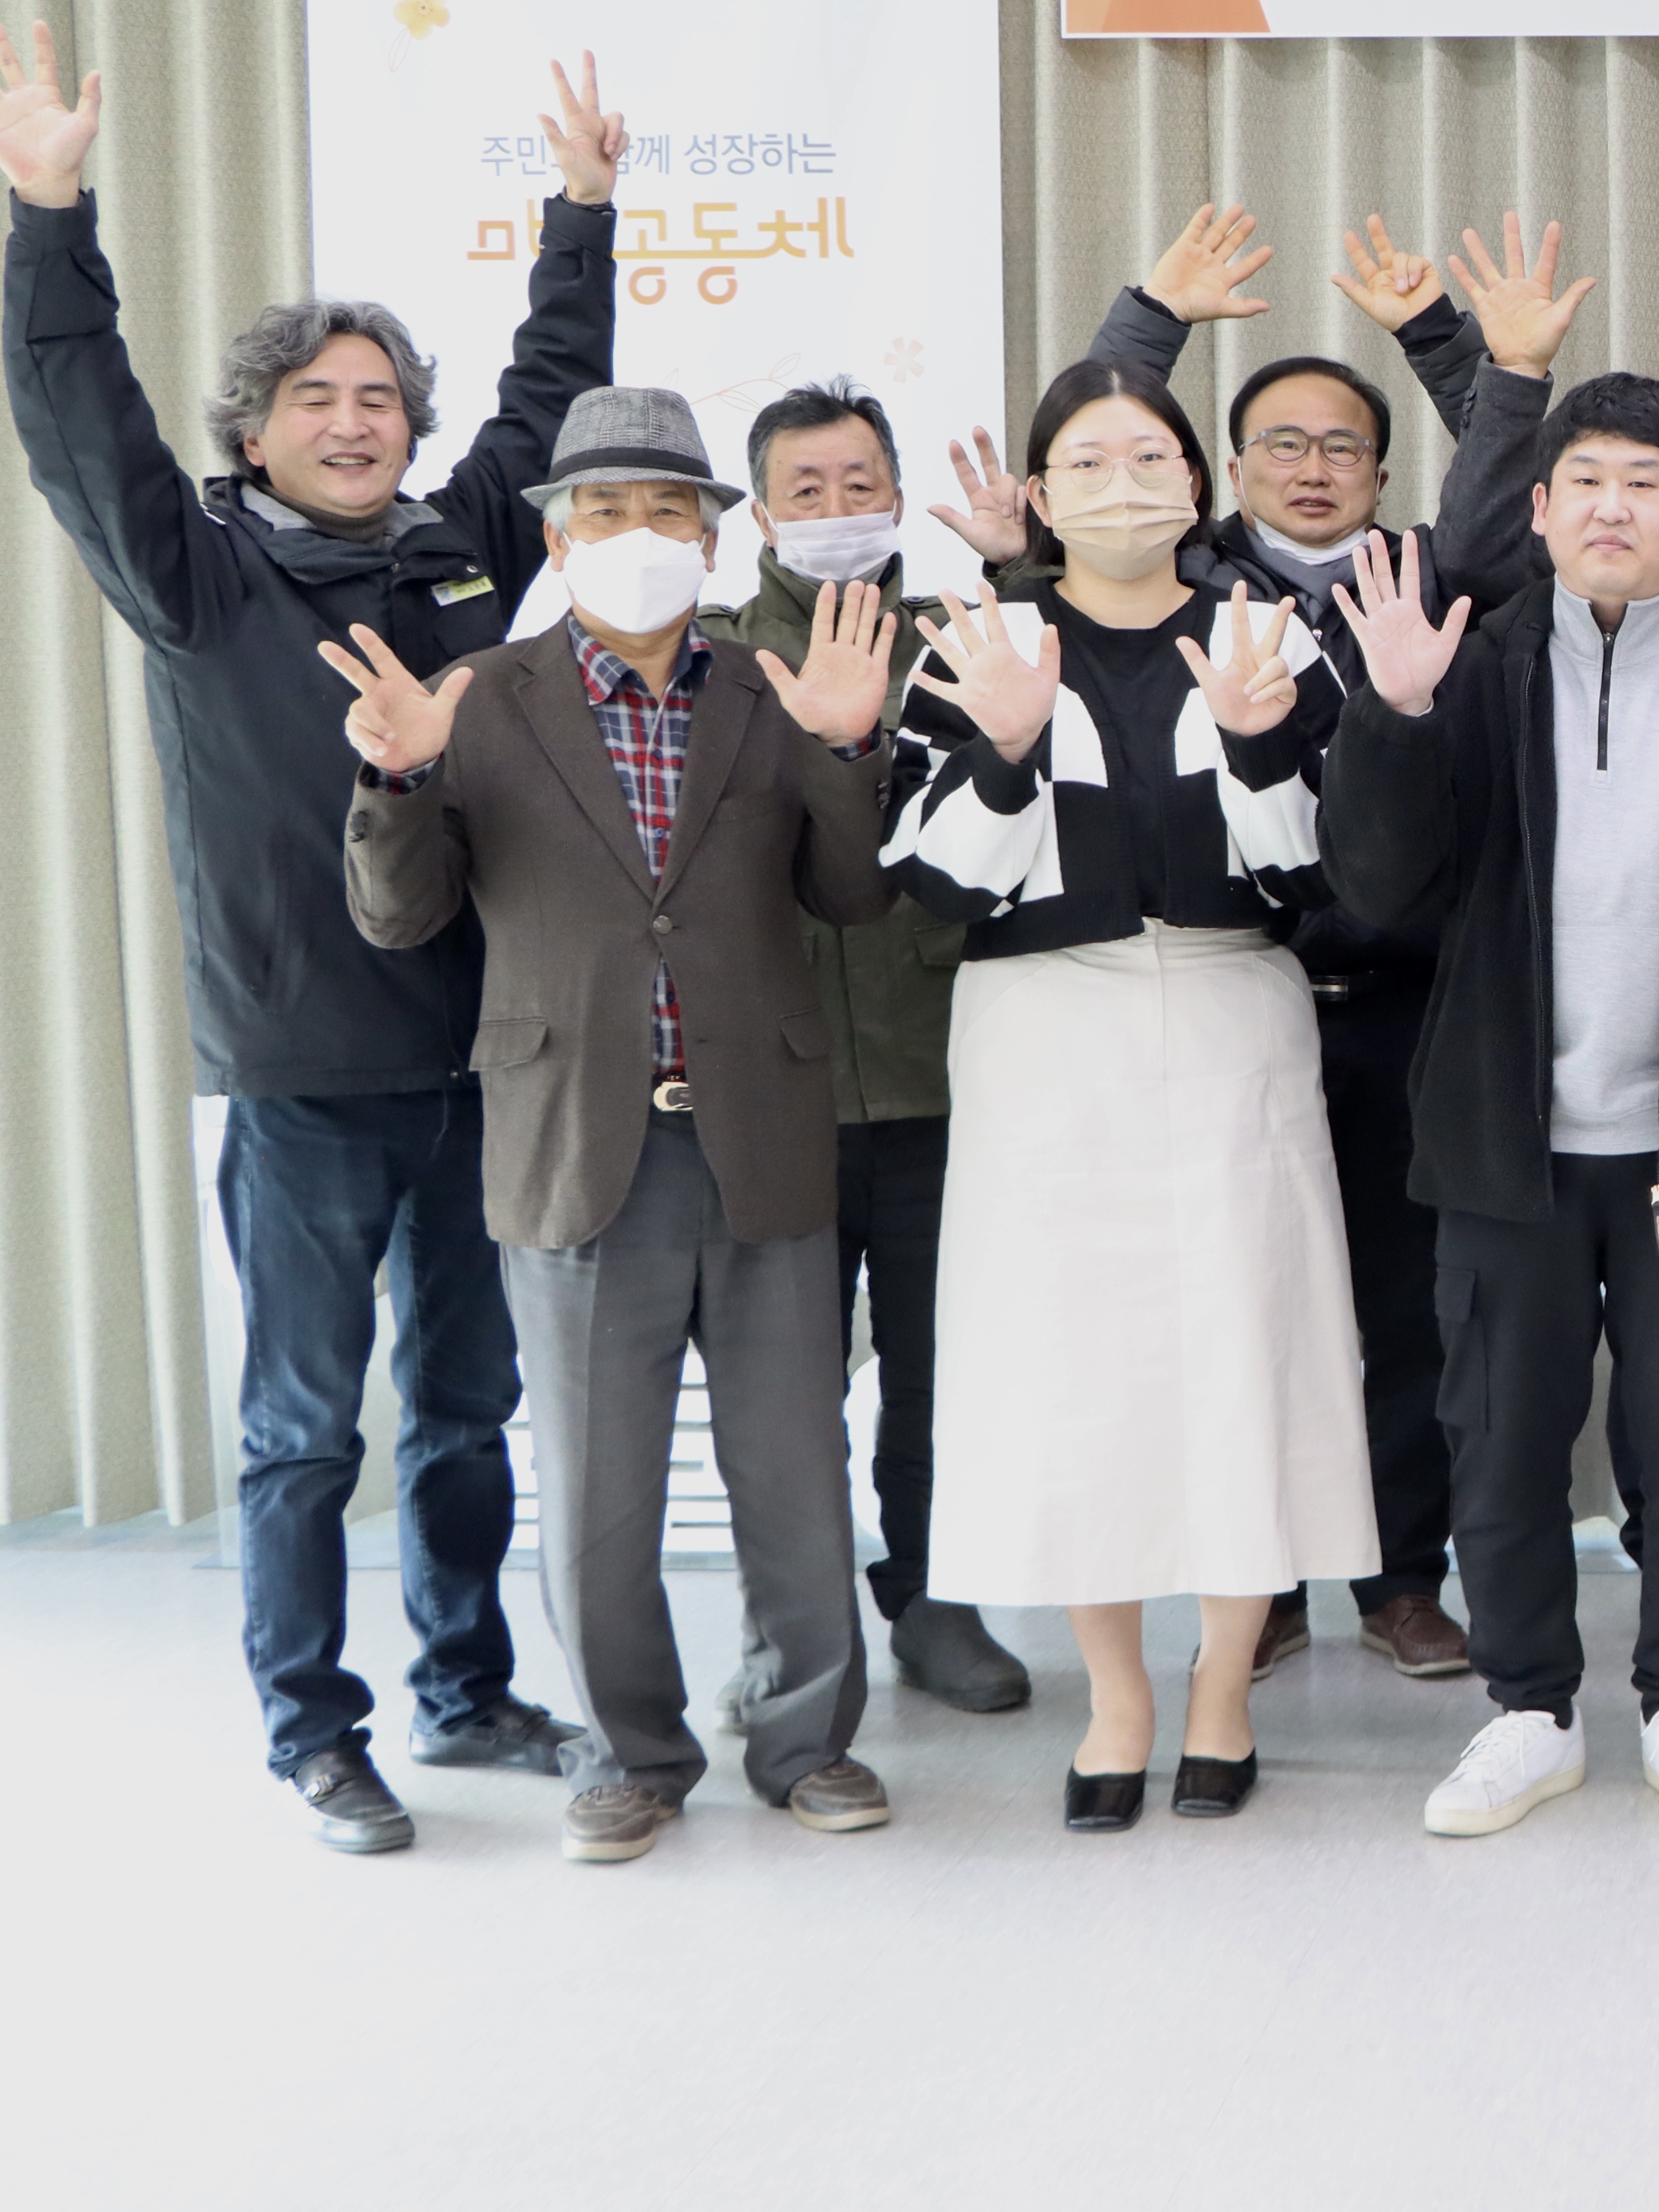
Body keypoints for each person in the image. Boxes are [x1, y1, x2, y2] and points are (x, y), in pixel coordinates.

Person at [0, 18, 611, 1851]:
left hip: (484, 1060)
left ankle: (468, 1691)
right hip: (302, 1070)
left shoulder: (463, 549)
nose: (352, 420)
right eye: (316, 398)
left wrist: (580, 214)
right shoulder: (197, 569)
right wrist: (51, 215)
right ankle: (314, 1731)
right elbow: (78, 419)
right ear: (256, 431)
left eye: (379, 396)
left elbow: (550, 395)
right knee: (306, 1426)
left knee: (468, 1408)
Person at [333, 389, 906, 1859]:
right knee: (597, 1484)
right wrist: (398, 777)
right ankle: (628, 1752)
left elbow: (851, 896)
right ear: (556, 536)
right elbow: (401, 918)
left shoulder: (772, 687)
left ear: (711, 541)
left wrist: (851, 751)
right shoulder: (478, 696)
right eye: (605, 510)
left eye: (667, 510)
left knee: (795, 1469)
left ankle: (806, 1737)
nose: (636, 534)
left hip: (760, 1126)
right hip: (575, 1138)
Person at [1016, 205, 1575, 1695]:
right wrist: (1151, 319)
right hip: (1231, 992)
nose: (1313, 465)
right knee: (1234, 1302)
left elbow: (1519, 482)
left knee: (1407, 1306)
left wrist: (1454, 346)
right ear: (1227, 468)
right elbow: (1096, 451)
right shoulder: (1179, 580)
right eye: (1281, 443)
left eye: (1344, 446)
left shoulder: (1439, 579)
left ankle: (1401, 1577)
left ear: (1383, 476)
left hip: (1404, 1006)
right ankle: (1250, 1589)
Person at [1326, 380, 1659, 1839]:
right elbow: (1379, 892)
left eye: (1644, 483)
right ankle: (1530, 1710)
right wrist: (1393, 714)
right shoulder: (1473, 665)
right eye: (1585, 481)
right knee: (1501, 1435)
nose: (1612, 507)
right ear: (1541, 510)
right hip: (1506, 1139)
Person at [885, 357, 1376, 1830]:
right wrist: (1007, 749)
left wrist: (1258, 738)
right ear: (1038, 496)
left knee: (1246, 1348)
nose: (1123, 486)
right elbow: (932, 882)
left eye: (1151, 458)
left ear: (1197, 483)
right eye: (1087, 463)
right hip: (1043, 1030)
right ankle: (1117, 1694)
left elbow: (1323, 870)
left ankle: (1225, 1681)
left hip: (1232, 1015)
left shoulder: (1269, 631)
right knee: (1073, 1367)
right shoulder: (976, 638)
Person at [698, 378, 1031, 1713]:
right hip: (774, 1085)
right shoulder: (715, 658)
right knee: (780, 1384)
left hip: (947, 1065)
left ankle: (937, 1599)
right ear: (760, 515)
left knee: (941, 1365)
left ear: (897, 498)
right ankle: (792, 1625)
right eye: (807, 490)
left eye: (860, 485)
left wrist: (1021, 573)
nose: (837, 509)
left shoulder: (966, 637)